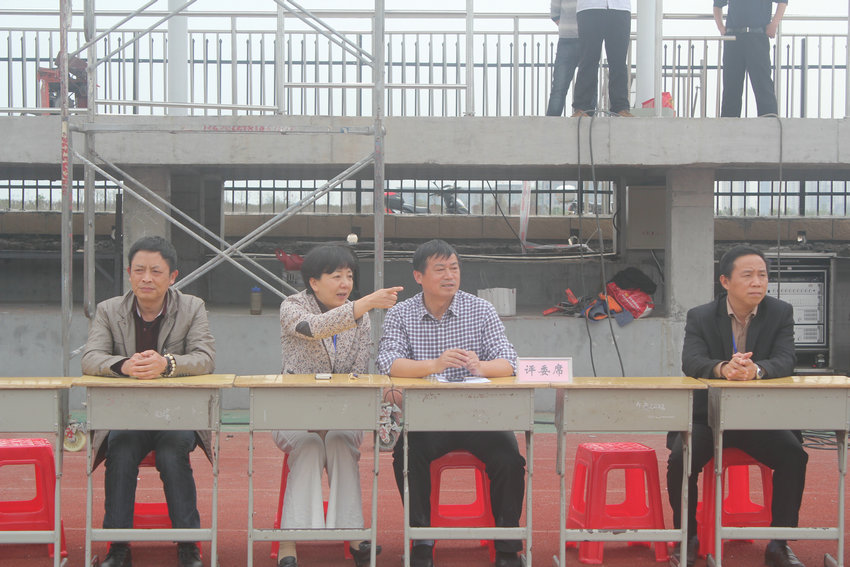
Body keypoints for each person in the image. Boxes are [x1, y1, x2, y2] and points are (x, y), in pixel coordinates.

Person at [376, 239, 526, 567]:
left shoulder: (480, 309)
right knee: (407, 457)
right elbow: (387, 362)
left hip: (480, 417)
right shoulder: (401, 313)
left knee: (510, 459)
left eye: (454, 268)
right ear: (419, 276)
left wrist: (481, 366)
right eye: (440, 269)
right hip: (427, 419)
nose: (449, 275)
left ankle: (507, 547)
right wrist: (434, 364)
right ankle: (421, 541)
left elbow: (510, 362)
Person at [666, 245, 808, 567]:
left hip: (758, 418)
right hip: (707, 417)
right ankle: (687, 538)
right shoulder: (701, 316)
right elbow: (692, 361)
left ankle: (779, 543)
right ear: (725, 281)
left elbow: (786, 359)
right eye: (748, 275)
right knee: (680, 459)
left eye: (762, 275)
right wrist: (722, 369)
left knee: (794, 455)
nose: (757, 282)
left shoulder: (780, 312)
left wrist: (756, 370)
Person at [81, 236, 216, 567]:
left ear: (172, 277)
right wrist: (124, 366)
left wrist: (167, 364)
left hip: (176, 416)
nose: (146, 278)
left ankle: (188, 545)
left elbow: (205, 357)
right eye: (139, 270)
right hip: (127, 417)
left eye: (156, 271)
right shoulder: (108, 310)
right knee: (120, 450)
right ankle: (118, 547)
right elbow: (90, 357)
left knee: (172, 453)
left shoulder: (193, 307)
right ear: (129, 273)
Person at [273, 245, 402, 567]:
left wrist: (333, 418)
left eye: (349, 276)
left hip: (344, 414)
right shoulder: (292, 307)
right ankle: (289, 540)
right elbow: (313, 328)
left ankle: (354, 535)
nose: (345, 283)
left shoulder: (361, 317)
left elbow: (359, 372)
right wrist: (363, 304)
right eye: (336, 276)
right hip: (294, 414)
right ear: (314, 282)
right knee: (309, 445)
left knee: (339, 442)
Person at [714, 0, 787, 117]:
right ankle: (729, 124)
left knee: (763, 84)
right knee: (731, 86)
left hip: (757, 36)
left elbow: (783, 2)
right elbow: (717, 5)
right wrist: (721, 27)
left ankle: (770, 123)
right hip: (733, 38)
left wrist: (774, 24)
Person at [571, 0, 633, 117]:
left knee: (619, 61)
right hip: (589, 7)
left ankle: (621, 107)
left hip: (619, 8)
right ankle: (582, 107)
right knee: (588, 59)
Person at [546, 0, 581, 116]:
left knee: (589, 83)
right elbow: (555, 13)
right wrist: (567, 27)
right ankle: (552, 120)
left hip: (588, 39)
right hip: (567, 39)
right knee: (559, 85)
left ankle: (587, 117)